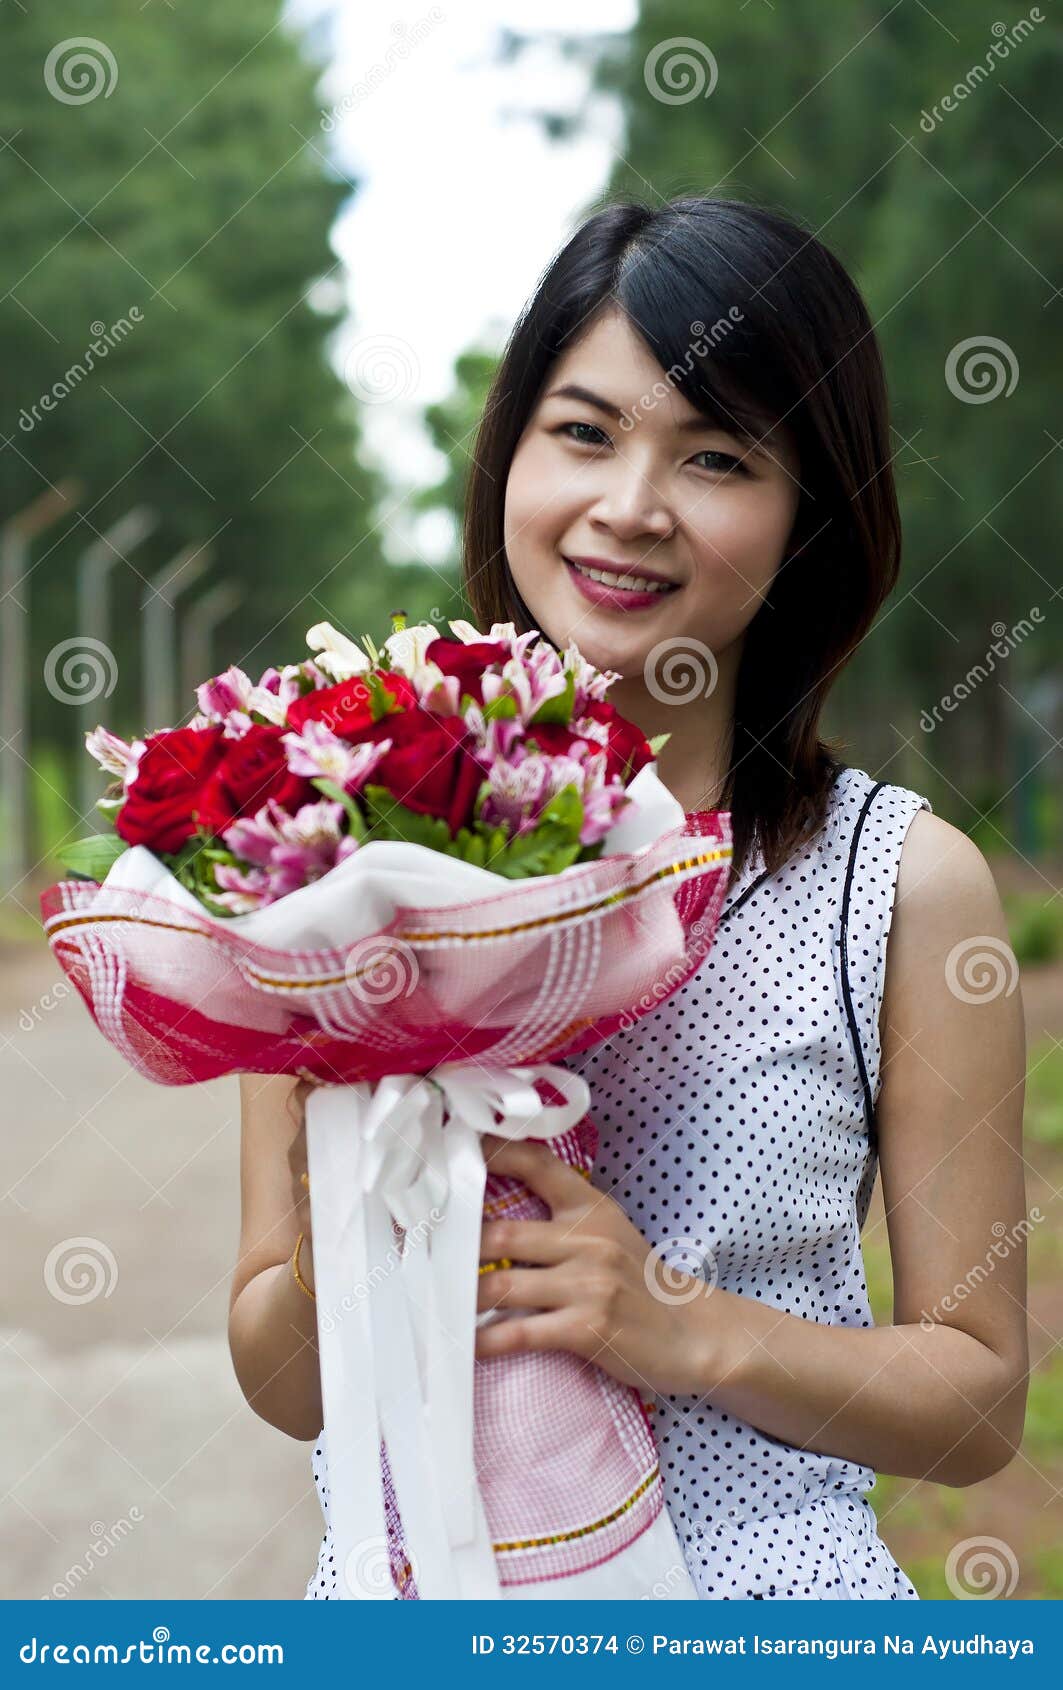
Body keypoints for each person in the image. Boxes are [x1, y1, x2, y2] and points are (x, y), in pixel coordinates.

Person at [228, 195, 1029, 1601]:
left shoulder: (898, 885)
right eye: (584, 431)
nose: (631, 505)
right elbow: (288, 1383)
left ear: (809, 515)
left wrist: (673, 1321)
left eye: (717, 456)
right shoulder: (338, 849)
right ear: (510, 456)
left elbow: (976, 1401)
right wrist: (345, 1220)